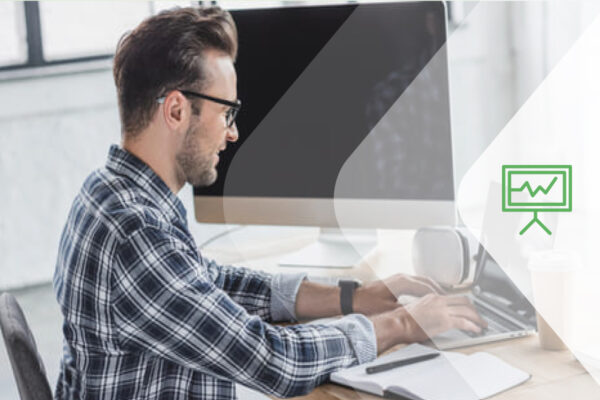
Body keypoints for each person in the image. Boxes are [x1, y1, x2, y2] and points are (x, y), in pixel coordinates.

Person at [53, 6, 486, 400]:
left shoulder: (113, 194)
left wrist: (355, 297)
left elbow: (212, 284)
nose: (233, 133)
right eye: (227, 112)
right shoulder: (135, 234)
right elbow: (272, 361)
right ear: (176, 112)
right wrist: (404, 324)